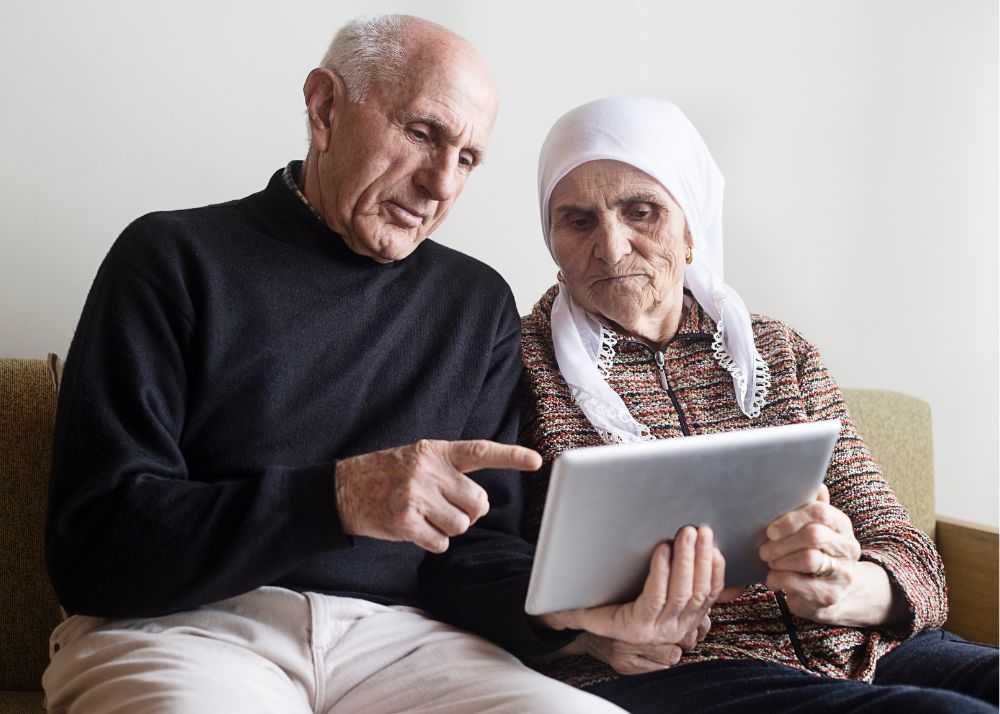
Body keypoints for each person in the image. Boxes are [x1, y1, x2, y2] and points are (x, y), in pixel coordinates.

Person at [41, 16, 625, 714]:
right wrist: (338, 499)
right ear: (324, 109)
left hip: (409, 645)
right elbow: (96, 545)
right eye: (421, 133)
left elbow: (477, 554)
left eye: (467, 158)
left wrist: (569, 611)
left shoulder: (474, 303)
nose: (441, 183)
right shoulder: (171, 258)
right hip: (184, 628)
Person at [518, 96, 998, 712]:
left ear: (690, 228)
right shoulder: (516, 364)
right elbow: (478, 576)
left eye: (642, 212)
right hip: (678, 671)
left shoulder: (778, 351)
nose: (611, 248)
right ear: (551, 238)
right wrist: (584, 640)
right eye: (578, 221)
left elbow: (915, 562)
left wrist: (840, 587)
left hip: (862, 646)